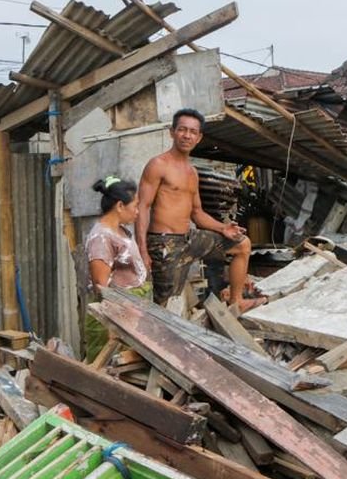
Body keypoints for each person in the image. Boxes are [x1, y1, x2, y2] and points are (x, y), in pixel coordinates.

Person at [136, 108, 262, 311]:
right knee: (166, 305)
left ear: (199, 137)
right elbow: (142, 207)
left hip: (189, 238)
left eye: (193, 132)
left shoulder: (192, 172)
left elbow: (198, 213)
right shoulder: (158, 165)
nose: (187, 135)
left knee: (242, 244)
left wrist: (223, 228)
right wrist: (142, 250)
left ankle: (236, 300)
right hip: (164, 242)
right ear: (172, 132)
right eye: (182, 130)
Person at [83, 175, 151, 360]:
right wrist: (114, 325)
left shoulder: (120, 231)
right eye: (135, 205)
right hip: (116, 315)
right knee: (110, 369)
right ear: (120, 205)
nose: (138, 211)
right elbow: (100, 286)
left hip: (130, 310)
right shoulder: (101, 238)